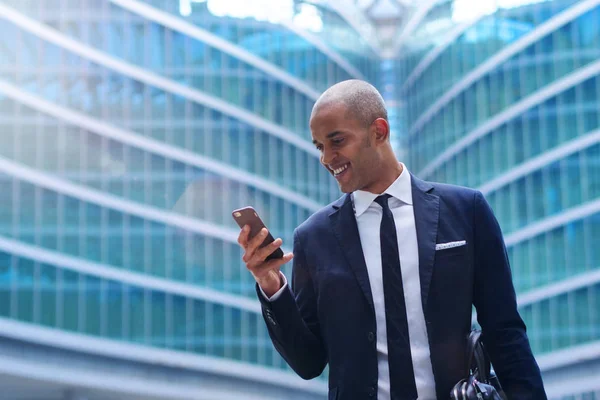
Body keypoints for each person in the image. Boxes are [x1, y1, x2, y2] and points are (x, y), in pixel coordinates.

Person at [237, 80, 547, 400]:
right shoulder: (314, 238)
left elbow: (505, 332)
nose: (327, 158)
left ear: (379, 131)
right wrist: (272, 285)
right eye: (319, 146)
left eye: (337, 141)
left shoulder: (466, 211)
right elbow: (308, 362)